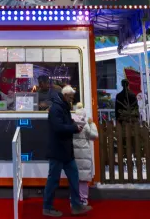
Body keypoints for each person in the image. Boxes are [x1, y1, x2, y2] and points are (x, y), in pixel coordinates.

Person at [43, 85, 92, 217]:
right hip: (58, 150)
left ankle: (76, 205)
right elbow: (58, 128)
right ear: (65, 96)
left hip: (64, 150)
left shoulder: (61, 107)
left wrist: (74, 125)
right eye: (70, 97)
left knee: (73, 176)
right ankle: (47, 207)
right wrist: (74, 128)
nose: (72, 99)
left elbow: (65, 124)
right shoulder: (56, 109)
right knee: (54, 180)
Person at [72, 102, 99, 205]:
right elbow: (94, 136)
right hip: (84, 154)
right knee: (83, 179)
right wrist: (92, 124)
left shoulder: (72, 123)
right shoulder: (86, 124)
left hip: (74, 154)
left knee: (74, 177)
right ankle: (83, 199)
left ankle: (73, 198)